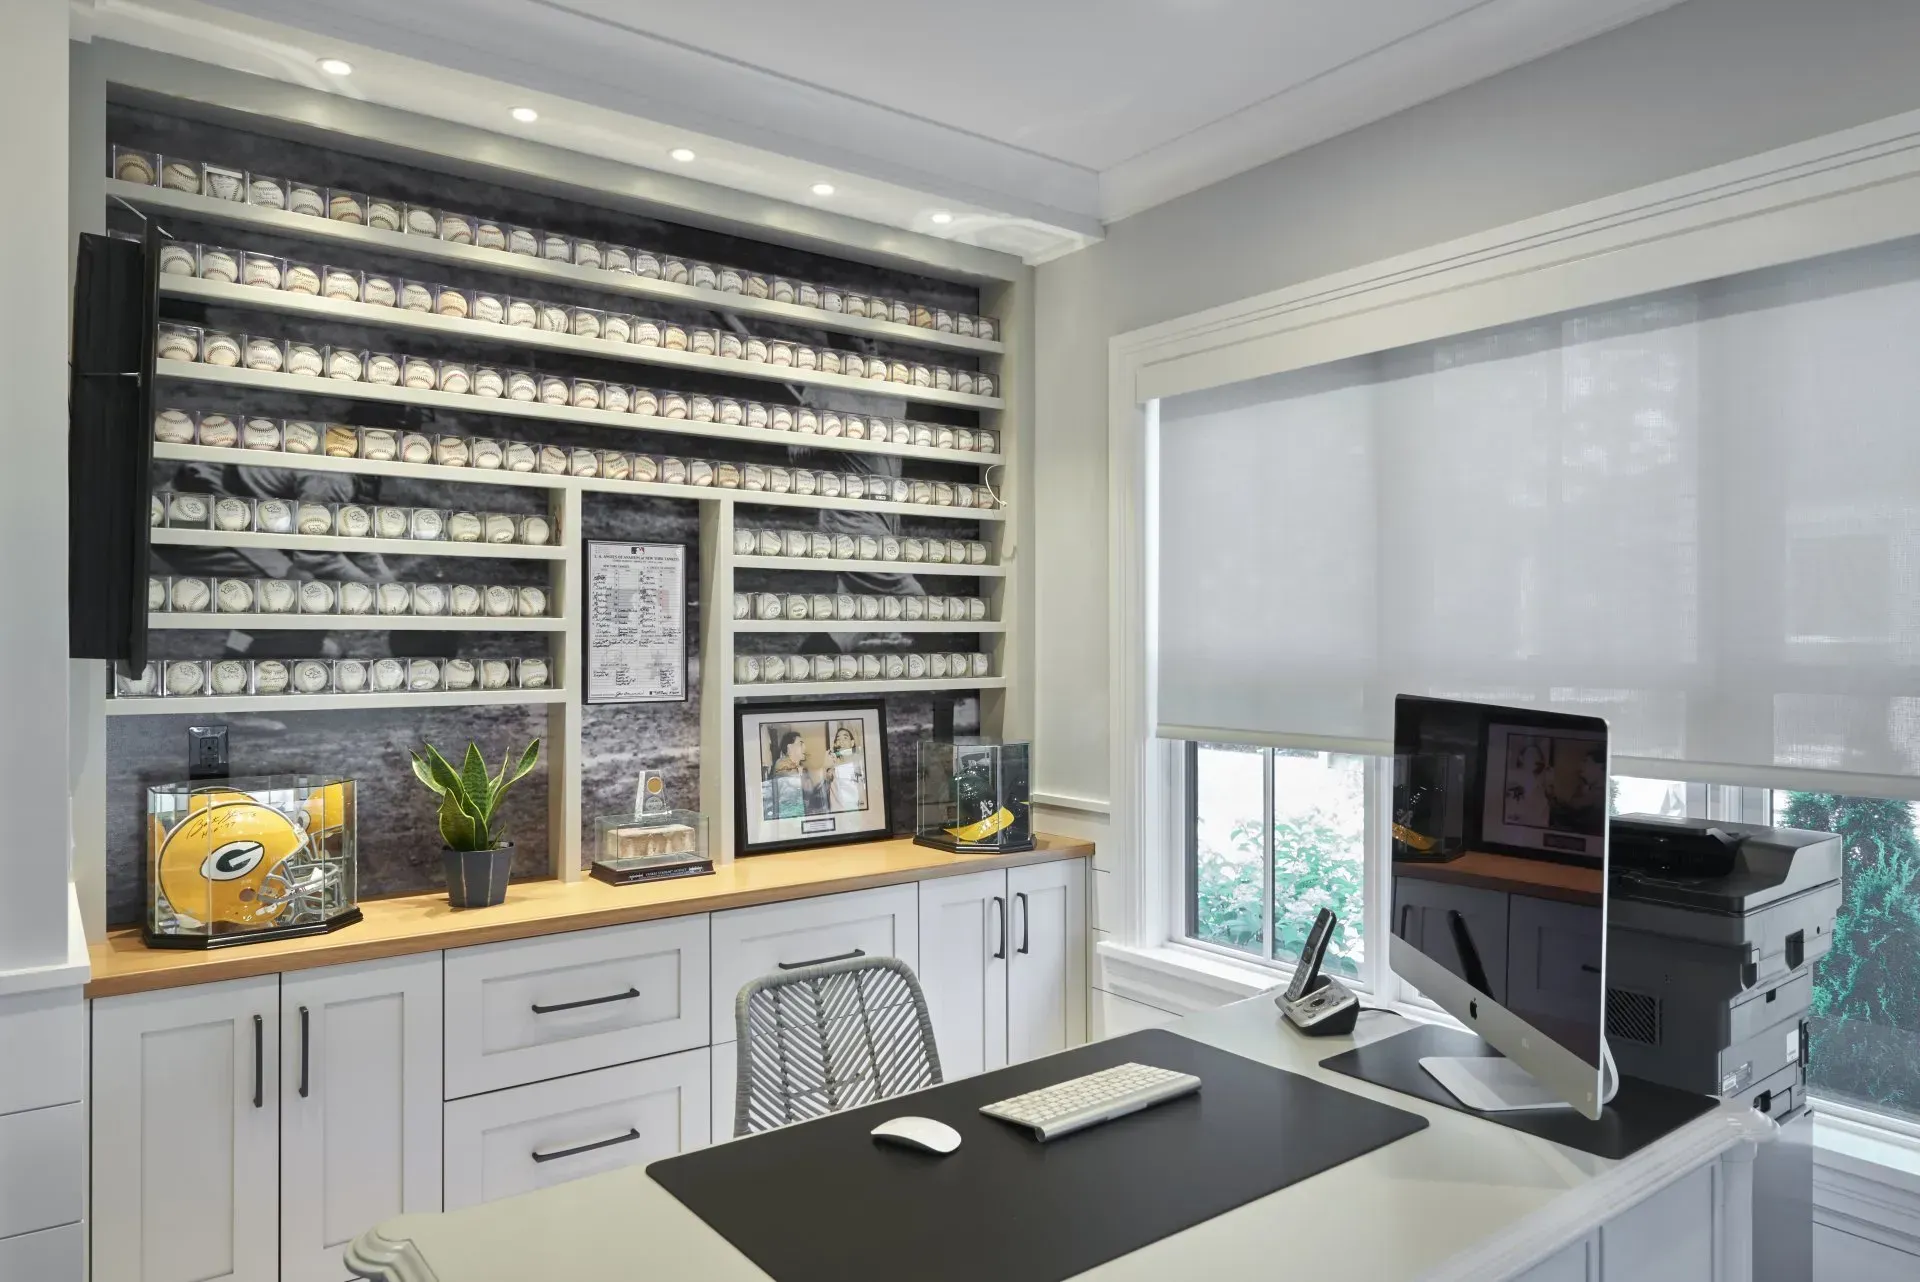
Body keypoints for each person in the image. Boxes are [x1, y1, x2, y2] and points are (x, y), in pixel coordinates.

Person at [763, 729, 808, 820]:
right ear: (789, 747)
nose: (805, 747)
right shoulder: (781, 763)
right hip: (786, 817)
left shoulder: (799, 767)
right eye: (800, 744)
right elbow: (793, 780)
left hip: (797, 815)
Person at [824, 724, 867, 813]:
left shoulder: (862, 764)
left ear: (852, 743)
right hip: (840, 815)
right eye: (838, 739)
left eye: (845, 738)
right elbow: (825, 779)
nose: (841, 741)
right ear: (835, 744)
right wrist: (827, 767)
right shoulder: (832, 767)